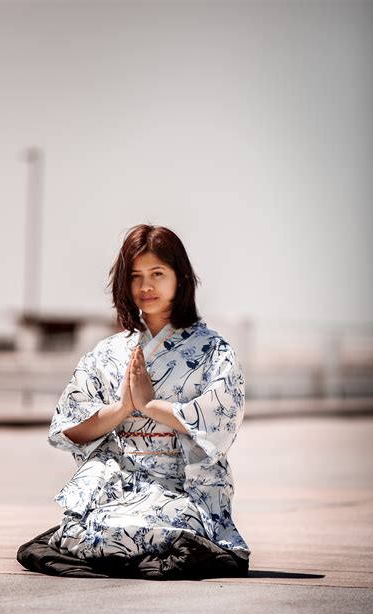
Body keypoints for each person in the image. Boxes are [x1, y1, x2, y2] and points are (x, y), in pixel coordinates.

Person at [18, 224, 251, 580]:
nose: (146, 287)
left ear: (181, 278)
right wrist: (123, 408)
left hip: (181, 480)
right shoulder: (108, 352)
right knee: (90, 532)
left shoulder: (213, 351)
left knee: (167, 530)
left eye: (158, 274)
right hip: (119, 476)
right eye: (136, 276)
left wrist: (151, 405)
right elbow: (70, 429)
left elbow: (220, 425)